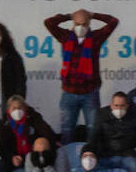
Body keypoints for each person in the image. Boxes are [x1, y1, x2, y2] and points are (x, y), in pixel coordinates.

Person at [44, 8, 120, 142]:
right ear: (73, 24)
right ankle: (67, 160)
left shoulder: (96, 38)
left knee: (92, 129)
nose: (80, 27)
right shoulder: (65, 37)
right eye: (77, 24)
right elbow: (49, 23)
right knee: (67, 130)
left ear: (89, 24)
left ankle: (91, 158)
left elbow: (113, 22)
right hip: (69, 93)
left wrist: (94, 14)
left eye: (84, 24)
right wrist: (68, 15)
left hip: (90, 93)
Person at [0, 96, 59, 172]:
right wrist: (12, 157)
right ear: (9, 110)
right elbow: (1, 146)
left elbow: (48, 133)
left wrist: (38, 153)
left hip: (34, 155)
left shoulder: (34, 118)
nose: (17, 111)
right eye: (14, 108)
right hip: (15, 157)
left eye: (20, 107)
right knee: (0, 166)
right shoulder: (4, 124)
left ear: (25, 108)